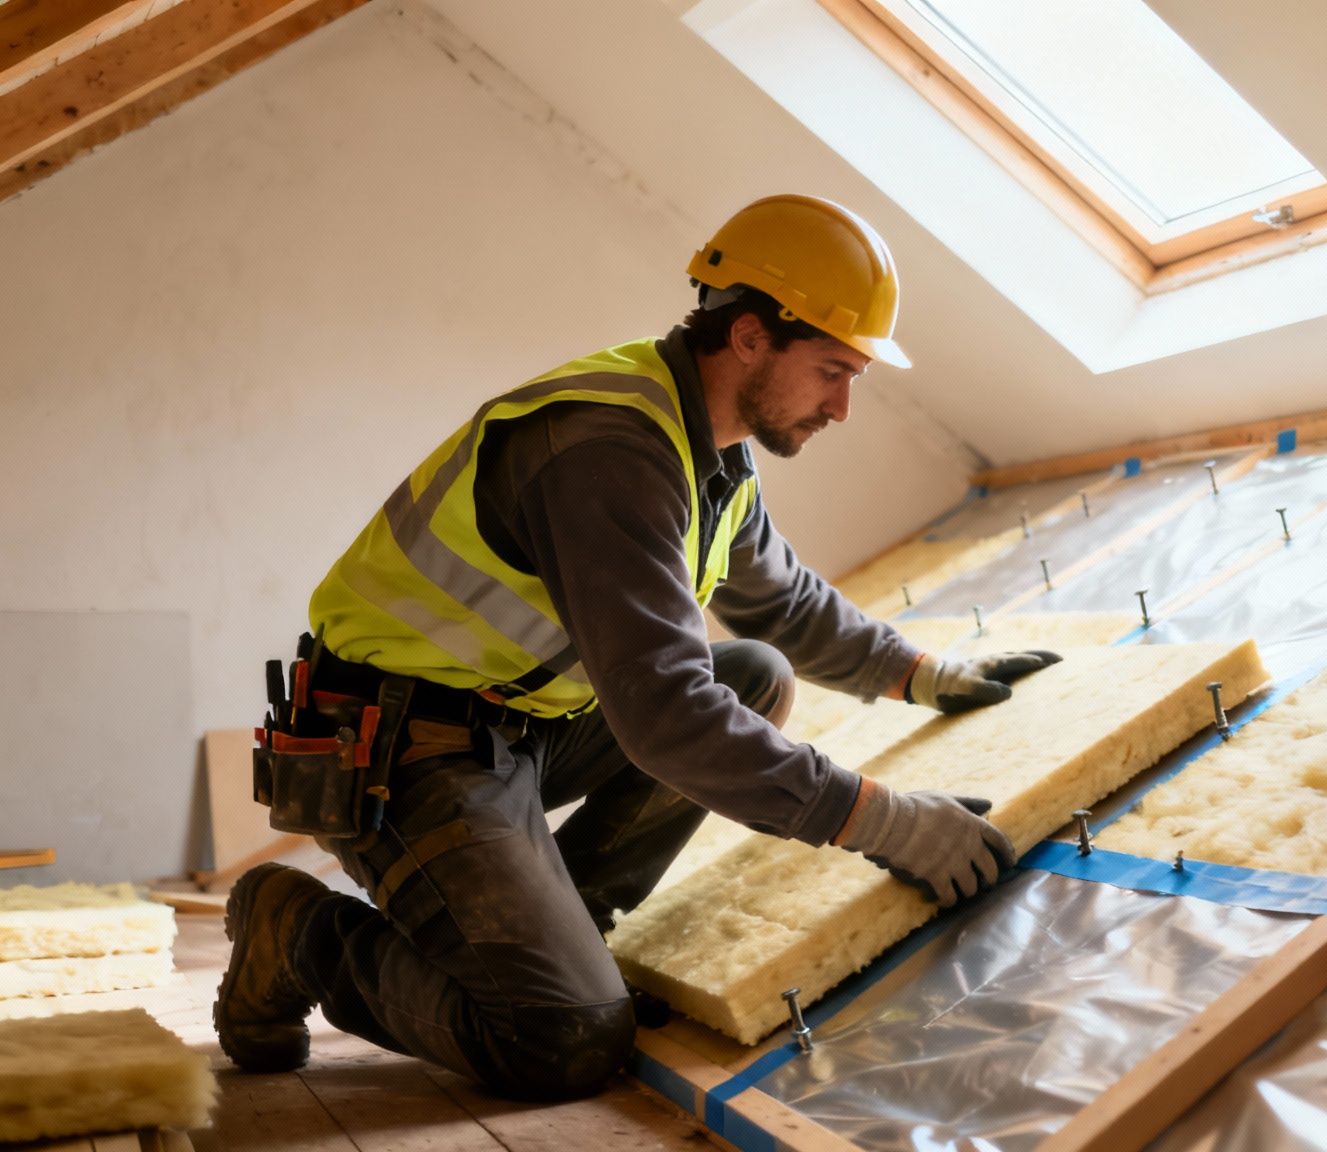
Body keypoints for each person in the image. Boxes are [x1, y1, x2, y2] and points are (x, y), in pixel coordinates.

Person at [215, 194, 1060, 1099]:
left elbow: (781, 600)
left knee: (754, 675)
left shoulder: (715, 451)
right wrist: (887, 824)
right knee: (559, 1038)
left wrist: (924, 676)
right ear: (747, 337)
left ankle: (565, 929)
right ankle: (294, 930)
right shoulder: (608, 449)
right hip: (404, 749)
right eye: (830, 371)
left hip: (519, 727)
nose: (844, 406)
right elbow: (663, 714)